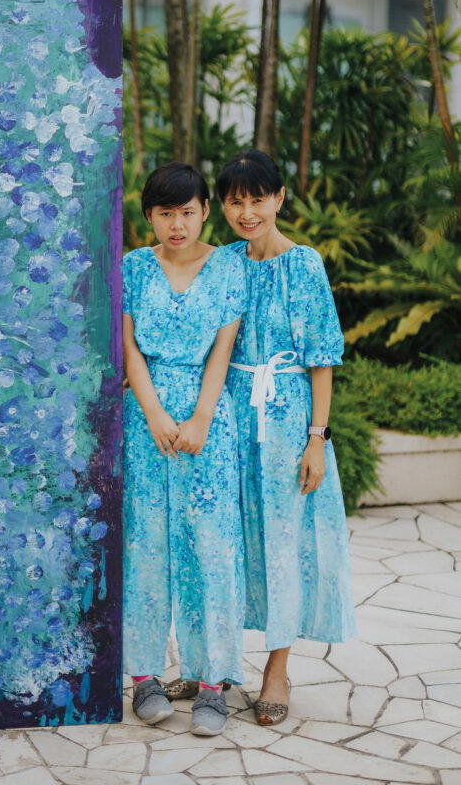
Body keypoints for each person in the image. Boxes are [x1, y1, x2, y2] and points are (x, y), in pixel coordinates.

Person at [218, 148, 356, 726]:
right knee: (224, 540)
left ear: (278, 199)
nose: (247, 212)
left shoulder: (304, 264)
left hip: (286, 419)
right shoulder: (222, 260)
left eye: (257, 199)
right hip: (227, 413)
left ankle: (276, 670)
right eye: (235, 201)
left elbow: (321, 356)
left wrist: (317, 438)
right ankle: (215, 665)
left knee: (283, 543)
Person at [122, 161, 247, 736]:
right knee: (145, 544)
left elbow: (222, 350)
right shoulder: (131, 268)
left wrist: (200, 416)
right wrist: (152, 412)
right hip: (144, 421)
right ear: (149, 215)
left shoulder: (227, 268)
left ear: (204, 212)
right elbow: (128, 349)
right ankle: (145, 676)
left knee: (209, 548)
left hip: (206, 424)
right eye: (166, 213)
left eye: (188, 212)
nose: (178, 224)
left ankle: (213, 682)